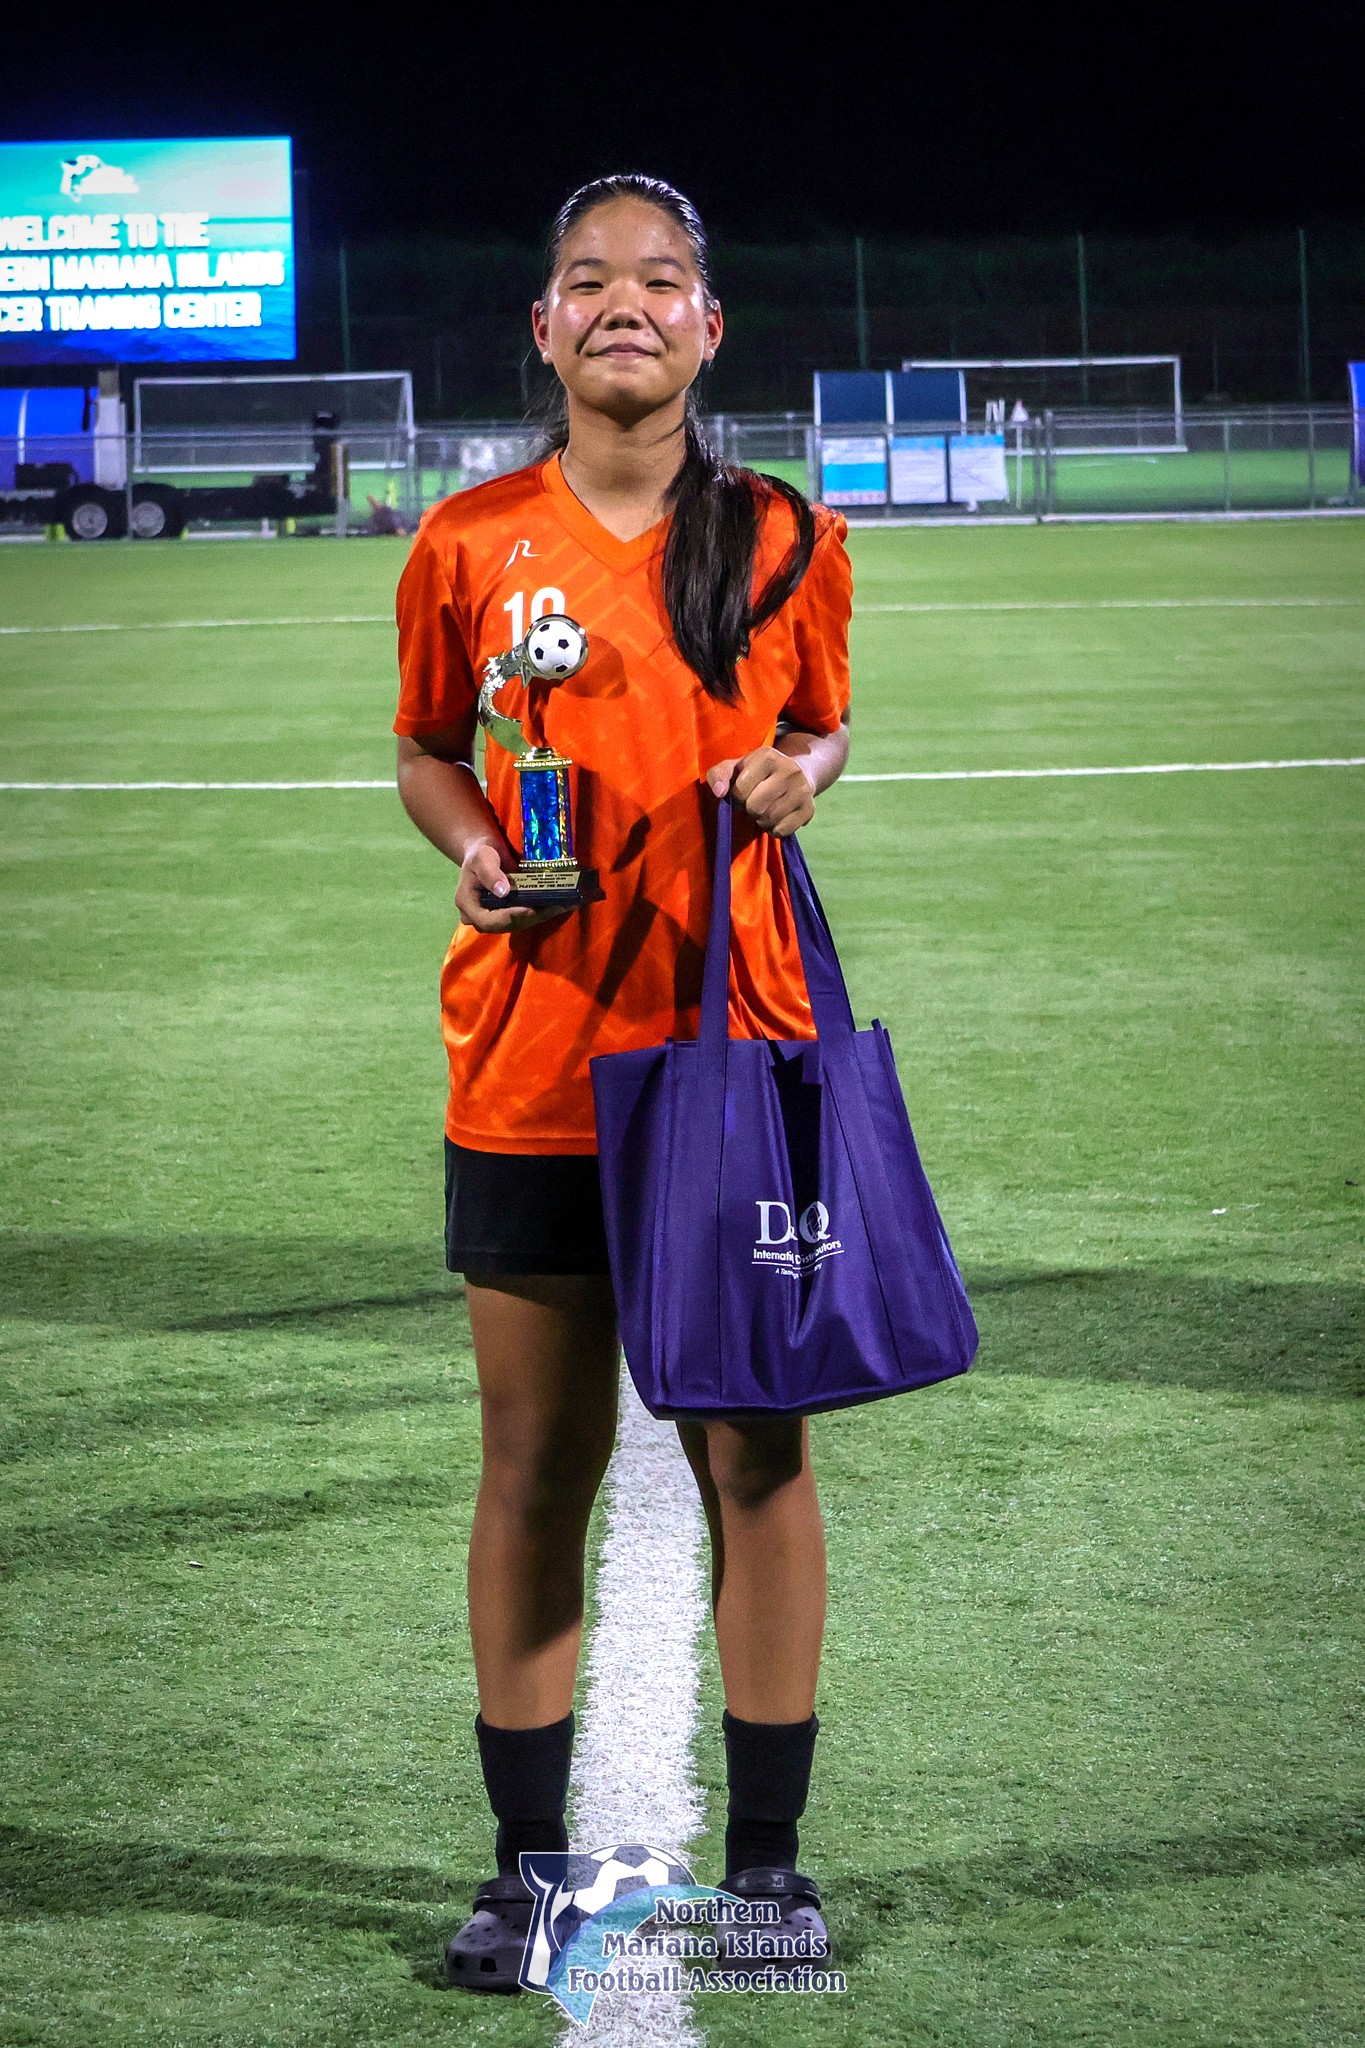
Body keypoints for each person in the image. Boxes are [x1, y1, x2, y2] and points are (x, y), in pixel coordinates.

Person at [393, 173, 852, 1994]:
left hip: (734, 1052)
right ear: (544, 326)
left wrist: (801, 770)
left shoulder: (785, 534)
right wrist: (467, 843)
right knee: (533, 1465)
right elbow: (432, 748)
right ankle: (526, 1879)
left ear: (708, 327)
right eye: (588, 280)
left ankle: (770, 1873)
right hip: (529, 1057)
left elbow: (819, 718)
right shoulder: (465, 541)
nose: (624, 305)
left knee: (756, 1450)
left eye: (661, 280)